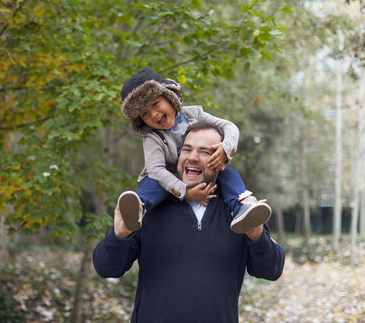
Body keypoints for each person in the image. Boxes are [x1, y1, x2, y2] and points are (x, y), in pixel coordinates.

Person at [93, 122, 285, 323]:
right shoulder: (147, 208)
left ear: (221, 162)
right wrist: (119, 235)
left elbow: (271, 269)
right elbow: (106, 267)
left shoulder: (241, 212)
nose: (192, 157)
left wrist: (256, 236)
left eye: (204, 152)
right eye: (187, 149)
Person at [118, 67, 271, 234]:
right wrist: (185, 192)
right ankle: (138, 208)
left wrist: (225, 148)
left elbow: (229, 126)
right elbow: (156, 169)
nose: (154, 114)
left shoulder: (194, 114)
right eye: (145, 114)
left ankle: (242, 208)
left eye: (155, 104)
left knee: (229, 175)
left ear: (170, 97)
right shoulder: (152, 137)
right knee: (151, 182)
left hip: (198, 171)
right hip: (166, 178)